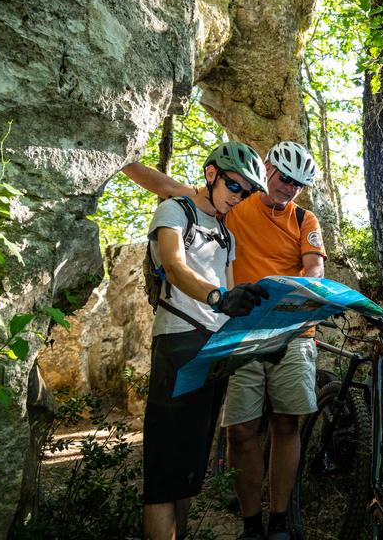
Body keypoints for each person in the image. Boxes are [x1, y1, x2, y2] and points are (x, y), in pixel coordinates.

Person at [124, 140, 326, 540]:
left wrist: (302, 297)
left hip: (288, 332)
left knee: (287, 424)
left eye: (299, 184)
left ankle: (281, 522)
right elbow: (171, 190)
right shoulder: (231, 202)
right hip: (231, 334)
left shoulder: (303, 219)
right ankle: (251, 525)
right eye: (284, 178)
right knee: (239, 430)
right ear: (267, 169)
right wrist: (118, 158)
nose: (289, 188)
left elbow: (315, 268)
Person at [142, 142, 271, 540]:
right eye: (235, 186)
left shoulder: (225, 234)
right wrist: (217, 297)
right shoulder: (175, 211)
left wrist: (266, 330)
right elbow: (175, 266)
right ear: (211, 173)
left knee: (187, 472)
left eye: (247, 193)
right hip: (179, 344)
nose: (239, 197)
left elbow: (231, 297)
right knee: (164, 475)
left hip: (213, 351)